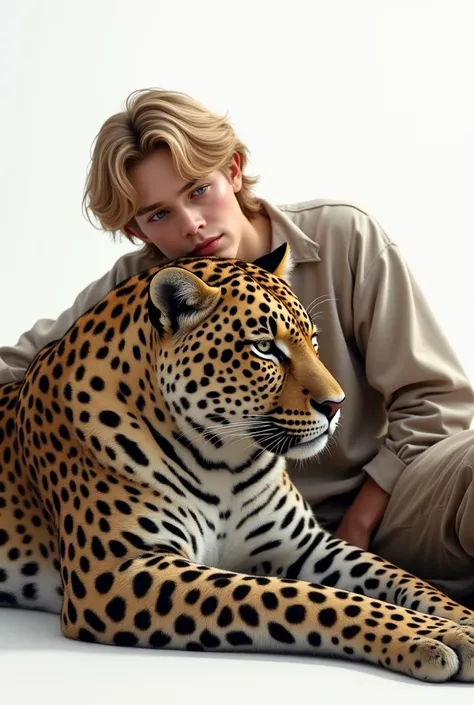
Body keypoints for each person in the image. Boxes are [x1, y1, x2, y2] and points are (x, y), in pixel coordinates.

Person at [1, 88, 473, 603]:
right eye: (158, 215)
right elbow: (22, 369)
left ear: (233, 169)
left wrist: (357, 530)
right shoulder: (141, 293)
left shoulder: (343, 236)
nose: (190, 224)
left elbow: (436, 400)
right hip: (242, 544)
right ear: (136, 231)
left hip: (389, 505)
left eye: (198, 190)